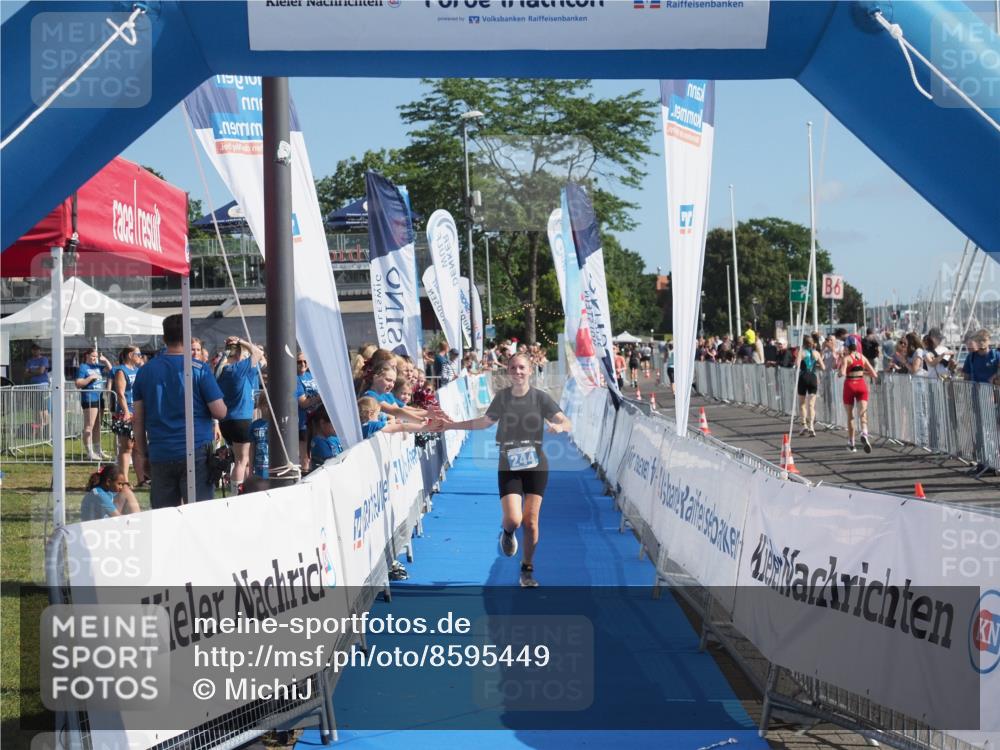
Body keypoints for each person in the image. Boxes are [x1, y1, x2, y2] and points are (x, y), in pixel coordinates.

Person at [441, 352, 572, 588]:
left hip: (536, 465)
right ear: (508, 371)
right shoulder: (502, 398)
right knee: (514, 519)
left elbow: (566, 421)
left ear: (530, 370)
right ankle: (508, 533)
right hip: (509, 463)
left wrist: (560, 427)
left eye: (522, 367)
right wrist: (451, 425)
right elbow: (484, 422)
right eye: (513, 368)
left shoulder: (541, 398)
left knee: (531, 522)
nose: (518, 372)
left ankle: (527, 569)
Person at [132, 314, 227, 508]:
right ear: (187, 337)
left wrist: (143, 454)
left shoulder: (145, 371)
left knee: (163, 516)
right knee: (199, 515)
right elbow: (220, 411)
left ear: (164, 338)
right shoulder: (199, 369)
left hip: (160, 451)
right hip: (195, 451)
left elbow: (138, 420)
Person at [216, 336, 265, 489]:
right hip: (241, 419)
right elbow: (258, 353)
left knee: (240, 460)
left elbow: (262, 361)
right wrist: (242, 341)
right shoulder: (237, 369)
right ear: (238, 355)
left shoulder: (222, 370)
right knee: (242, 461)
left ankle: (240, 490)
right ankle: (236, 493)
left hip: (227, 421)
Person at [962, 329, 1000, 478]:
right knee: (980, 431)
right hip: (976, 397)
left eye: (984, 340)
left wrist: (995, 377)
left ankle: (993, 462)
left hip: (994, 398)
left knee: (994, 430)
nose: (982, 343)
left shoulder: (996, 356)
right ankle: (983, 462)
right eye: (979, 340)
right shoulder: (971, 358)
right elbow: (966, 375)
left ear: (989, 340)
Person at [838, 338, 878, 453]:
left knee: (850, 416)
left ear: (847, 347)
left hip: (850, 385)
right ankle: (864, 432)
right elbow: (874, 374)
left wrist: (841, 365)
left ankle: (852, 443)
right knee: (863, 412)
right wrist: (861, 372)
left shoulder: (846, 358)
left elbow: (842, 373)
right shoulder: (862, 357)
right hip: (861, 384)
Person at [111, 347, 143, 483]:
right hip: (126, 413)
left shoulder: (137, 370)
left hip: (137, 412)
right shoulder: (121, 371)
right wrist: (126, 412)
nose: (140, 357)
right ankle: (124, 481)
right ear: (130, 355)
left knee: (138, 448)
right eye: (138, 354)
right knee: (126, 447)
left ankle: (142, 479)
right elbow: (120, 393)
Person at [75, 347, 113, 461]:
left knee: (97, 426)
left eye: (96, 357)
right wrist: (90, 378)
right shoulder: (83, 367)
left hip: (100, 397)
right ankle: (89, 451)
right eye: (92, 356)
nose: (94, 359)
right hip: (89, 398)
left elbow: (112, 371)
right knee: (89, 426)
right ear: (86, 356)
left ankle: (98, 450)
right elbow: (78, 383)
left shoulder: (97, 366)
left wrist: (105, 360)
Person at [295, 353, 322, 472]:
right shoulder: (294, 378)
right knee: (305, 456)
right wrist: (319, 398)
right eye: (299, 362)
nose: (303, 364)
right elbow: (303, 403)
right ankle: (304, 478)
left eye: (305, 361)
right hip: (303, 422)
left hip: (315, 421)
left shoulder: (311, 375)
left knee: (313, 454)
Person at [796, 335, 825, 437]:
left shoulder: (802, 352)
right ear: (813, 344)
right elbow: (823, 367)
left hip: (803, 377)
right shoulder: (816, 353)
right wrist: (815, 364)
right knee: (811, 405)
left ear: (804, 343)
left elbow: (797, 364)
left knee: (802, 404)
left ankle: (804, 425)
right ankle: (811, 426)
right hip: (813, 378)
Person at [24, 343, 51, 428]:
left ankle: (45, 426)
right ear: (32, 351)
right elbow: (25, 374)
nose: (35, 351)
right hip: (33, 385)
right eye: (34, 350)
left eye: (37, 349)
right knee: (35, 407)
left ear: (40, 350)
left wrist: (31, 372)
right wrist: (36, 371)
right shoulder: (29, 361)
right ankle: (39, 426)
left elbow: (41, 371)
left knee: (43, 407)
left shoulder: (44, 359)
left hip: (42, 385)